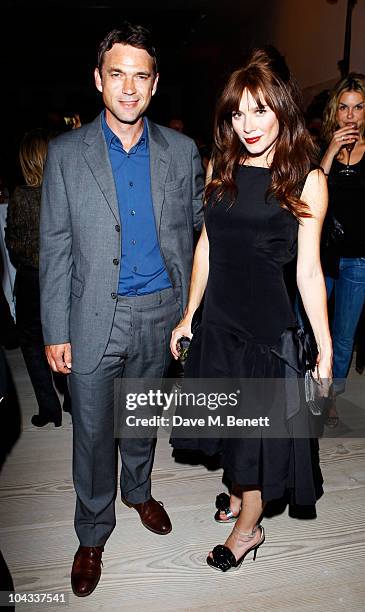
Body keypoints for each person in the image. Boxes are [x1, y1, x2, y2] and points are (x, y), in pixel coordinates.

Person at [39, 22, 204, 596]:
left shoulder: (183, 152)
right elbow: (55, 245)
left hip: (161, 312)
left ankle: (138, 491)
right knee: (91, 430)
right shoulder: (66, 154)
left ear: (155, 85)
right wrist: (55, 326)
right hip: (91, 316)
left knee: (140, 419)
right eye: (117, 74)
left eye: (141, 75)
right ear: (98, 80)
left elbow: (203, 232)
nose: (129, 87)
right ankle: (92, 529)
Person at [170, 46, 332, 572]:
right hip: (220, 323)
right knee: (231, 427)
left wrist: (325, 351)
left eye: (259, 110)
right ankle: (240, 494)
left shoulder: (307, 179)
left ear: (282, 109)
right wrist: (189, 314)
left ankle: (248, 529)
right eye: (237, 112)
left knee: (256, 440)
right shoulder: (223, 163)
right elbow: (207, 246)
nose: (247, 123)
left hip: (267, 332)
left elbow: (308, 272)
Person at [5, 128, 70, 427]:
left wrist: (25, 257)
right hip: (63, 277)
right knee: (67, 338)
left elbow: (13, 241)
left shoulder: (21, 196)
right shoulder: (64, 191)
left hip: (32, 280)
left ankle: (49, 409)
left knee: (32, 344)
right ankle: (72, 399)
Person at [320, 73, 365, 427]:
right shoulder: (323, 147)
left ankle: (331, 397)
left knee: (344, 334)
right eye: (344, 108)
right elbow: (312, 189)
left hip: (358, 259)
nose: (350, 116)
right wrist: (332, 150)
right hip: (321, 255)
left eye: (359, 107)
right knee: (310, 326)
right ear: (335, 111)